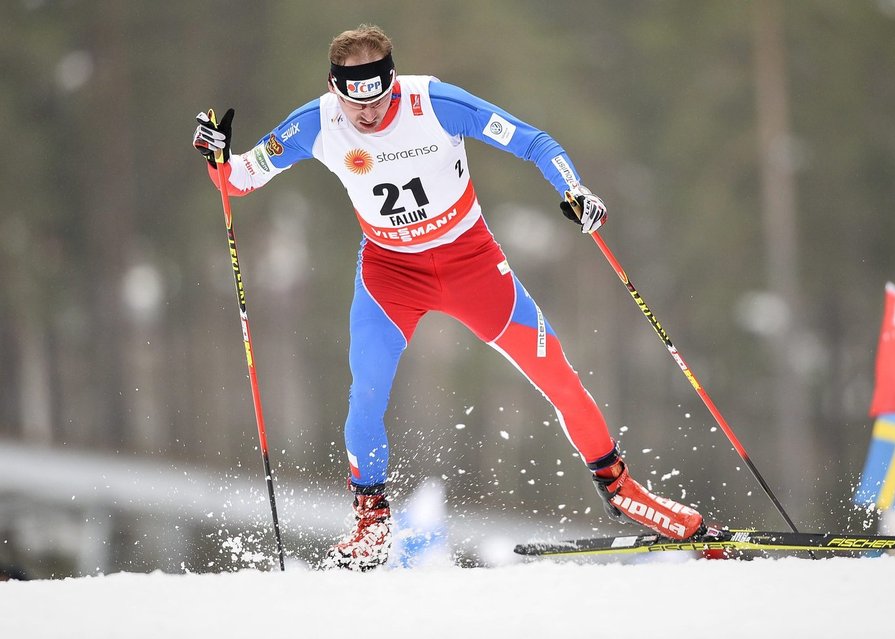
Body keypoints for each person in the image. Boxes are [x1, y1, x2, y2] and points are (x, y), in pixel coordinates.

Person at [193, 24, 718, 571]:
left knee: (557, 374)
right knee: (366, 394)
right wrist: (216, 156)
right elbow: (237, 180)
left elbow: (534, 140)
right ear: (335, 89)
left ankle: (621, 489)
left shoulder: (435, 103)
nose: (368, 115)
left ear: (392, 82)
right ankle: (371, 524)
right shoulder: (314, 124)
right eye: (355, 104)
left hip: (471, 264)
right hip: (389, 274)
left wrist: (574, 189)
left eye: (378, 98)